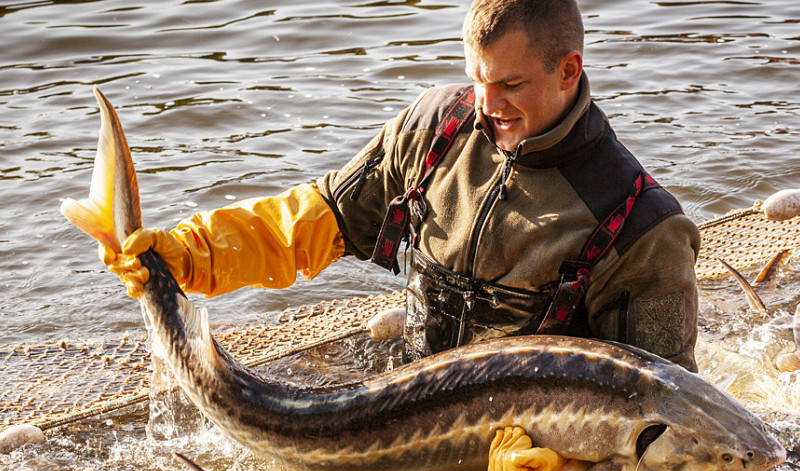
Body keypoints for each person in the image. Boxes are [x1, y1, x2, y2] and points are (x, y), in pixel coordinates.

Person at [103, 0, 700, 373]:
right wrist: (188, 255)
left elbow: (664, 413)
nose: (486, 106)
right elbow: (320, 220)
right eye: (477, 79)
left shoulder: (642, 225)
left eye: (510, 84)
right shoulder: (434, 127)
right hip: (409, 393)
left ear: (568, 69)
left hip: (526, 457)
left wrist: (566, 462)